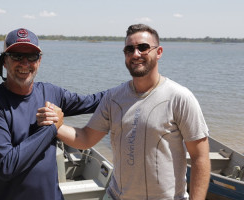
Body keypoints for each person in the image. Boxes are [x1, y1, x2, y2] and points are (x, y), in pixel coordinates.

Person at [37, 24, 211, 200]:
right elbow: (86, 138)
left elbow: (200, 158)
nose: (136, 54)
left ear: (158, 52)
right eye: (129, 49)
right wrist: (57, 125)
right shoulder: (113, 98)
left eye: (143, 48)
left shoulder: (180, 98)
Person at [0, 28, 105, 200]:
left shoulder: (51, 92)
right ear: (4, 61)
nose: (25, 63)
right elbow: (5, 166)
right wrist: (52, 127)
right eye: (16, 56)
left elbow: (93, 101)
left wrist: (133, 88)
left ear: (40, 60)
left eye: (32, 56)